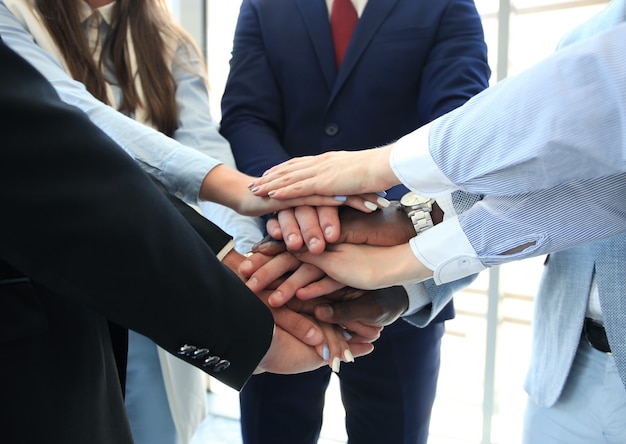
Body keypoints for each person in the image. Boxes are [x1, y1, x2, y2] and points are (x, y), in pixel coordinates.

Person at [0, 38, 378, 444]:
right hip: (95, 294)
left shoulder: (167, 40)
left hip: (155, 267)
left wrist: (241, 260)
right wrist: (243, 312)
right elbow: (59, 145)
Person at [220, 0, 490, 442]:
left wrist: (380, 216)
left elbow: (457, 123)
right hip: (283, 271)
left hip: (399, 279)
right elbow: (246, 114)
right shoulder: (264, 5)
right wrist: (295, 202)